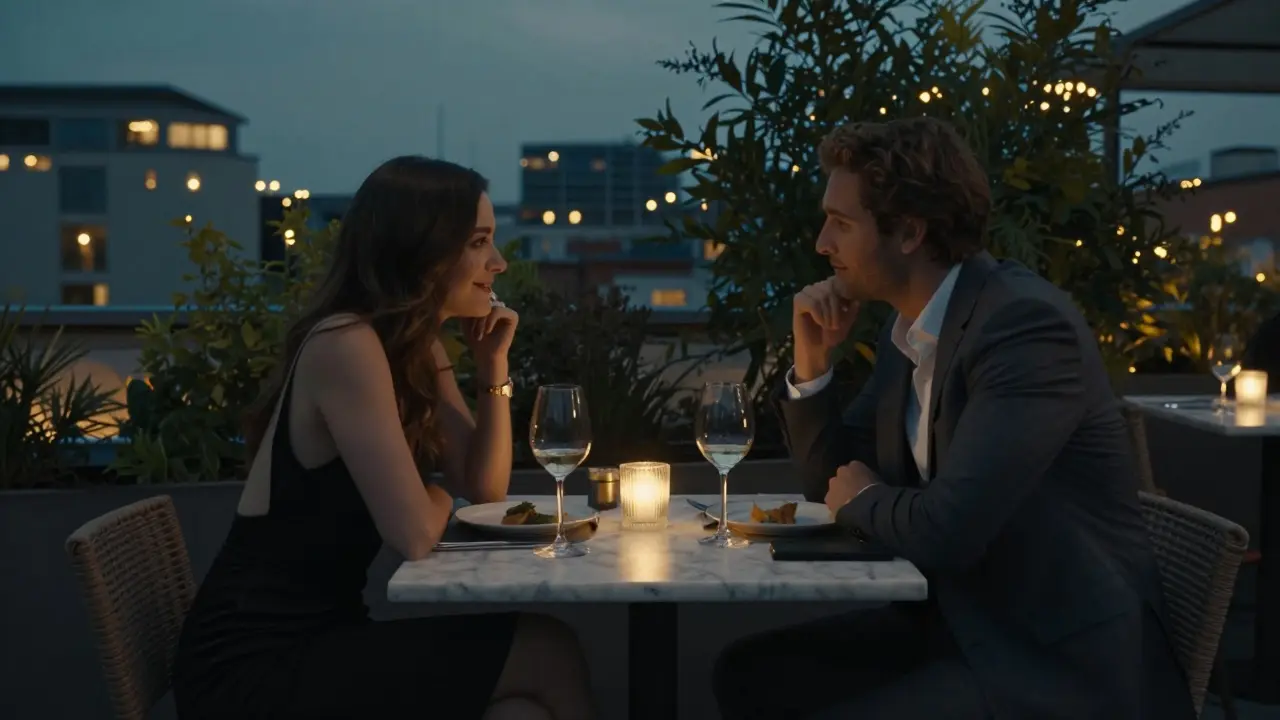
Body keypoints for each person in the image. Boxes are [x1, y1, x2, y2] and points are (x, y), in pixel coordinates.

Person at [712, 118, 1195, 719]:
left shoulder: (1023, 329)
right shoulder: (914, 330)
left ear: (909, 231)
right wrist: (811, 368)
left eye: (841, 223)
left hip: (1052, 661)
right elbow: (830, 482)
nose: (821, 243)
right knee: (750, 674)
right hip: (958, 626)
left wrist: (863, 498)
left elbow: (950, 528)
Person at [172, 157, 595, 720]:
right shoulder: (345, 344)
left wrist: (493, 366)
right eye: (478, 242)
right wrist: (438, 500)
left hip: (326, 637)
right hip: (256, 667)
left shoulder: (414, 348)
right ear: (421, 250)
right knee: (546, 649)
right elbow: (417, 534)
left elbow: (484, 488)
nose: (498, 263)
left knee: (522, 711)